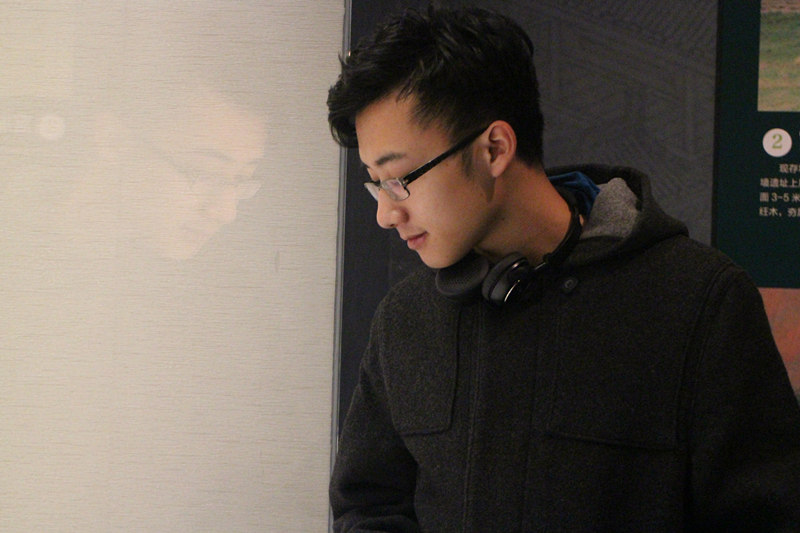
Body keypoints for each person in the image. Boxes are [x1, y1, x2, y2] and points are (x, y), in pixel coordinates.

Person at [326, 6, 800, 531]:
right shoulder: (406, 317)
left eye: (398, 180)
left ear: (494, 149)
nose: (385, 214)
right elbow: (369, 505)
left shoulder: (699, 301)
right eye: (375, 184)